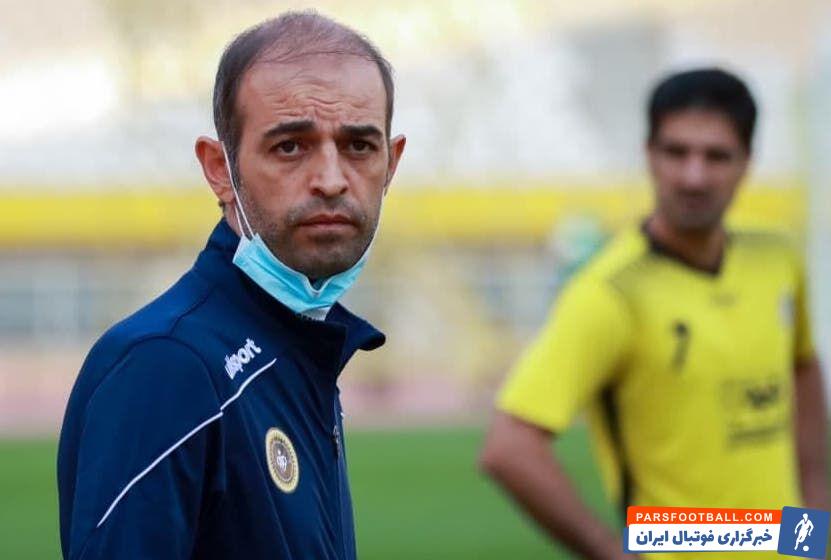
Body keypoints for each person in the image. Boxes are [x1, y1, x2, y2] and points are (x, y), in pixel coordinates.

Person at [57, 11, 405, 560]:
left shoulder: (300, 338)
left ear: (392, 162)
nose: (331, 180)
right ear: (220, 169)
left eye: (359, 147)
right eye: (290, 147)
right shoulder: (166, 365)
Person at [479, 68, 828, 559]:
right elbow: (508, 447)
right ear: (649, 154)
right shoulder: (611, 292)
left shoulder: (777, 259)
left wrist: (813, 518)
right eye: (676, 152)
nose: (693, 176)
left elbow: (803, 365)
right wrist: (613, 553)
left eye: (716, 156)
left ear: (747, 162)